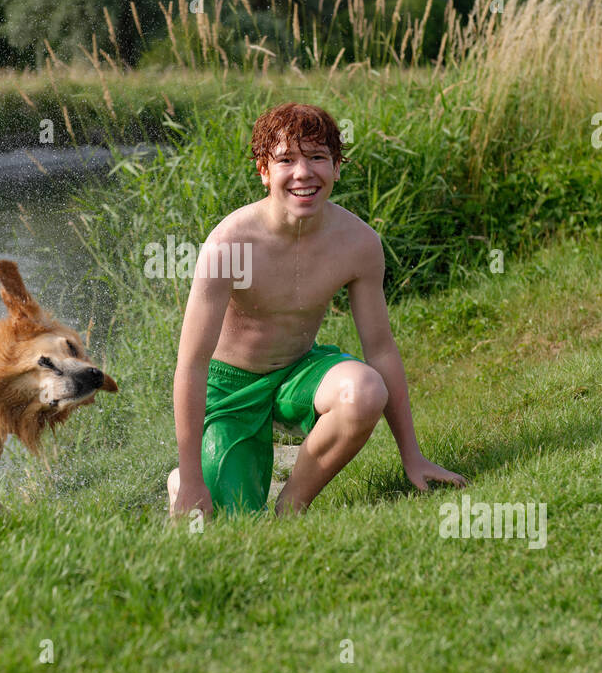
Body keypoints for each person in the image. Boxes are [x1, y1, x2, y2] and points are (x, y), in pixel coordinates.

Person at [168, 102, 466, 518]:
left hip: (297, 371)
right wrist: (192, 475)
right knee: (225, 518)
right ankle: (184, 477)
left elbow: (380, 351)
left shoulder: (358, 243)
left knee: (364, 390)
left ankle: (292, 506)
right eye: (286, 160)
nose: (303, 173)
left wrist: (412, 457)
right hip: (230, 387)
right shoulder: (228, 245)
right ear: (264, 171)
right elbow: (192, 363)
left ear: (337, 167)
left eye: (317, 157)